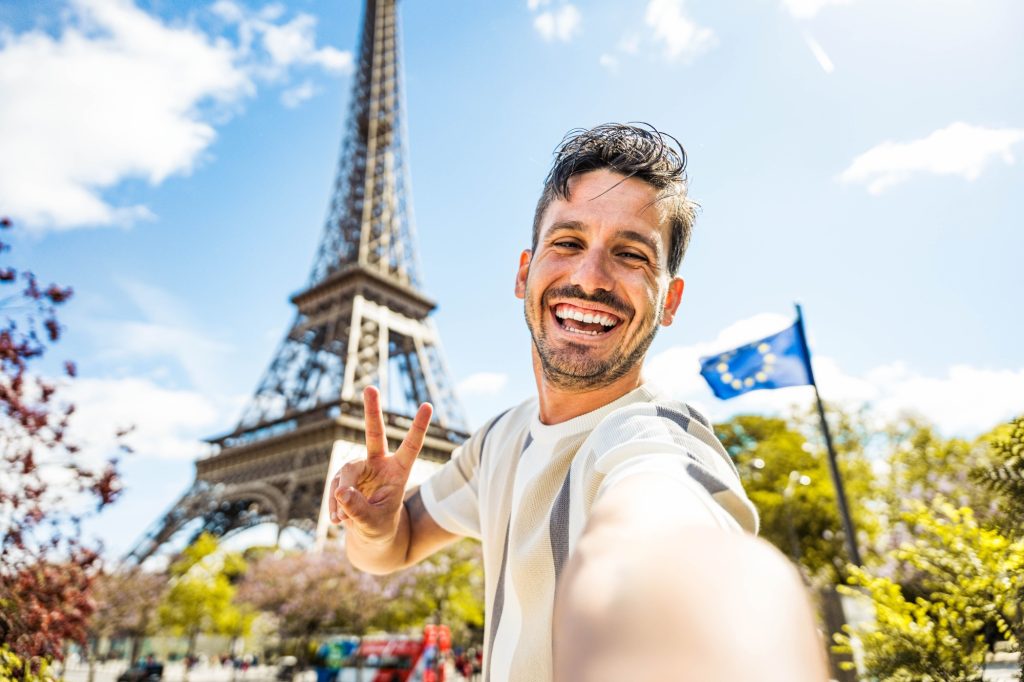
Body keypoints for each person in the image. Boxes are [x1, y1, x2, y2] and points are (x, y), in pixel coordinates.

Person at [329, 123, 829, 681]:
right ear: (525, 272)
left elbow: (663, 538)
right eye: (568, 242)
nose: (590, 277)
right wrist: (373, 528)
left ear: (671, 300)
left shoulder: (656, 440)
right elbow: (392, 549)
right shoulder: (498, 440)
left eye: (631, 254)